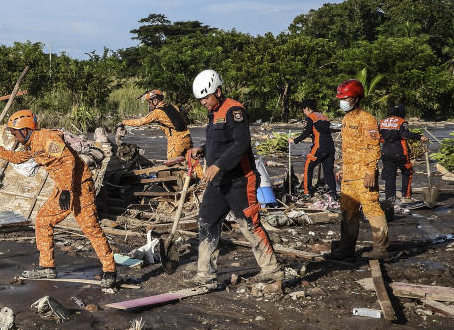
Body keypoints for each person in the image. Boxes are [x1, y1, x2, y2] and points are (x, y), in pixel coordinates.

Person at [0, 110, 117, 288]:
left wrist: (65, 190)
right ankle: (47, 267)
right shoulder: (31, 144)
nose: (15, 138)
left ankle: (110, 270)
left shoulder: (48, 138)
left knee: (90, 228)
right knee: (43, 220)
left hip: (80, 187)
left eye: (15, 134)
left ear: (25, 130)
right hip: (63, 188)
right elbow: (18, 158)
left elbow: (68, 160)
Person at [185, 69, 283, 287]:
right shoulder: (213, 114)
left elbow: (241, 144)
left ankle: (272, 270)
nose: (203, 102)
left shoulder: (235, 110)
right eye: (200, 99)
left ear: (218, 91)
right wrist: (201, 149)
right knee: (206, 223)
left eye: (206, 97)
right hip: (218, 182)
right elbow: (219, 143)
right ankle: (206, 275)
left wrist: (217, 165)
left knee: (249, 224)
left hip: (240, 180)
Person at [327, 79, 388, 260]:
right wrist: (344, 169)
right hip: (349, 175)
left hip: (364, 175)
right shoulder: (346, 119)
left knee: (371, 209)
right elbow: (350, 148)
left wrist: (371, 171)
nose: (343, 101)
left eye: (345, 98)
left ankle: (381, 248)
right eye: (341, 98)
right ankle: (346, 248)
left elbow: (374, 146)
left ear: (355, 98)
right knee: (347, 212)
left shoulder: (367, 119)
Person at [119, 89, 193, 162]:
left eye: (150, 102)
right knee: (193, 162)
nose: (150, 105)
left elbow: (140, 121)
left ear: (155, 100)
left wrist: (123, 122)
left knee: (172, 165)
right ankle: (199, 173)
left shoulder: (157, 112)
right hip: (187, 137)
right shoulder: (174, 107)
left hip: (176, 141)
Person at [379, 104, 426, 215]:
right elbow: (405, 134)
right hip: (400, 153)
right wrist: (420, 137)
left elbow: (379, 136)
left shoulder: (382, 122)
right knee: (407, 172)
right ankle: (406, 195)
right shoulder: (401, 121)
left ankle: (390, 199)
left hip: (385, 152)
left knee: (390, 176)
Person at [289, 99, 336, 197]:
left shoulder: (311, 118)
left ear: (307, 108)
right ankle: (333, 193)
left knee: (308, 167)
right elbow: (323, 131)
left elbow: (306, 133)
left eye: (303, 110)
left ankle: (307, 192)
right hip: (330, 148)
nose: (304, 113)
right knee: (328, 171)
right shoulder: (324, 117)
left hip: (319, 147)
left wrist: (294, 140)